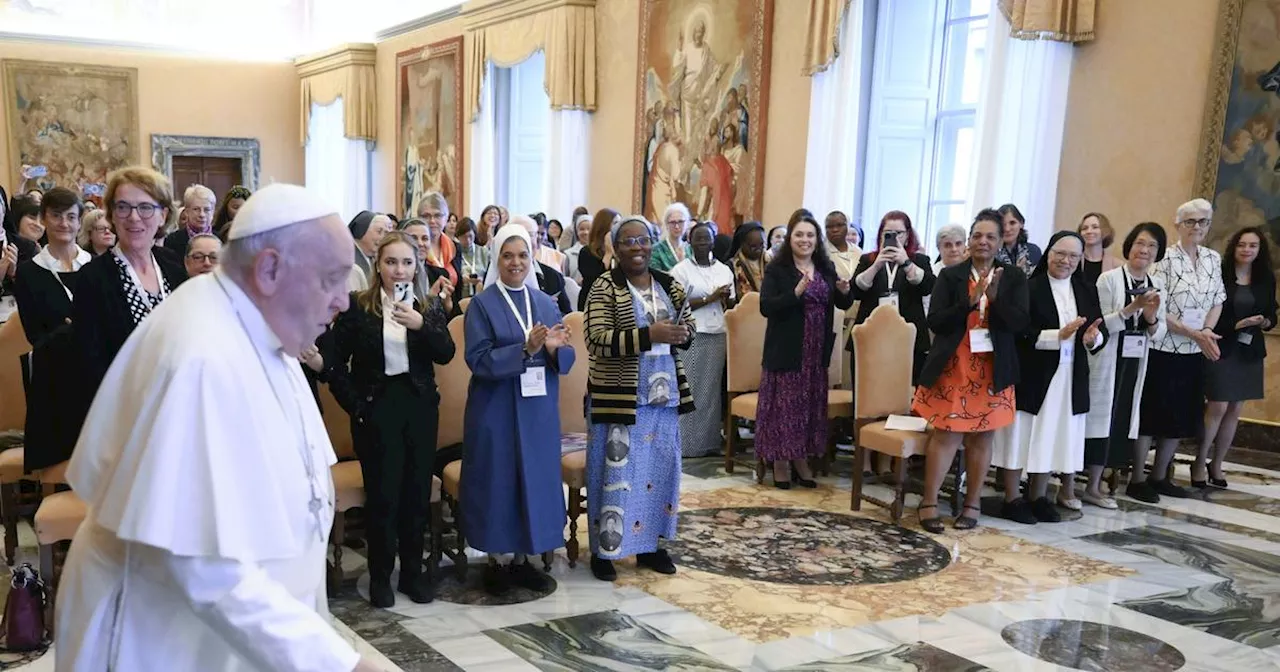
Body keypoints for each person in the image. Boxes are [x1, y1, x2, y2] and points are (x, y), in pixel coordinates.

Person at [55, 183, 382, 671]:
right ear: (269, 269)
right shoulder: (201, 355)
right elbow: (202, 566)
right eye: (331, 279)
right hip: (158, 637)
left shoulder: (265, 325)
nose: (342, 301)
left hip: (238, 633)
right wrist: (339, 664)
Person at [326, 229, 455, 608]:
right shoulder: (358, 306)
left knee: (416, 494)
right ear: (378, 266)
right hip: (375, 407)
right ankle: (381, 576)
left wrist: (421, 324)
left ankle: (412, 574)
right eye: (391, 262)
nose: (399, 270)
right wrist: (356, 405)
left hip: (418, 407)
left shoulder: (426, 306)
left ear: (416, 268)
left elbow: (446, 353)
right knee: (383, 495)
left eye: (406, 263)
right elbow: (334, 363)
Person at [462, 223, 575, 595]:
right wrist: (524, 350)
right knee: (500, 481)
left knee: (536, 480)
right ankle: (496, 560)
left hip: (537, 410)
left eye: (523, 255)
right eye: (508, 255)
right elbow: (477, 360)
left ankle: (525, 558)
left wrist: (557, 349)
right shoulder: (482, 304)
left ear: (532, 258)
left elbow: (566, 358)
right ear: (497, 258)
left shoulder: (545, 301)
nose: (516, 262)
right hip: (495, 409)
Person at [583, 215, 694, 582]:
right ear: (615, 247)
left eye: (643, 240)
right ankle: (604, 552)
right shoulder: (604, 286)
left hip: (664, 395)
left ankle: (650, 547)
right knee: (616, 473)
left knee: (659, 470)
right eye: (628, 241)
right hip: (620, 394)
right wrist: (649, 334)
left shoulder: (669, 284)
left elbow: (689, 325)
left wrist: (680, 333)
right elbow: (596, 338)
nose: (637, 247)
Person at [913, 209, 1029, 532]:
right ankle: (929, 501)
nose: (983, 242)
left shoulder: (1013, 277)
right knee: (947, 435)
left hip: (993, 367)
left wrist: (995, 301)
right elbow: (934, 320)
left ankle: (972, 503)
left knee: (982, 438)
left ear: (1000, 241)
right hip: (955, 365)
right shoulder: (951, 276)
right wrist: (969, 302)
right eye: (977, 235)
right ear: (970, 240)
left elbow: (1020, 324)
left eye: (990, 236)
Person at [991, 231, 1106, 524]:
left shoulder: (1085, 289)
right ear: (1048, 253)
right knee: (1023, 434)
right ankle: (1012, 498)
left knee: (1053, 435)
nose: (1065, 261)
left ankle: (1038, 496)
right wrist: (1058, 335)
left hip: (1071, 375)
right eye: (1060, 254)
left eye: (1073, 256)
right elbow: (1020, 333)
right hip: (1035, 374)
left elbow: (1096, 330)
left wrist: (1093, 339)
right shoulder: (1030, 287)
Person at [71, 167, 188, 431]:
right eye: (123, 207)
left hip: (177, 408)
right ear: (111, 215)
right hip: (122, 418)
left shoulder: (174, 268)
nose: (134, 217)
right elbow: (90, 363)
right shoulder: (93, 277)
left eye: (145, 208)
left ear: (163, 215)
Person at [1132, 198, 1226, 503]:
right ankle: (1137, 478)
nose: (1197, 227)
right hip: (1163, 346)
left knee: (1179, 415)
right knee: (1151, 415)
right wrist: (1194, 333)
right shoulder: (1165, 260)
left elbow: (1218, 299)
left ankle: (1160, 477)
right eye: (1191, 221)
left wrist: (1207, 332)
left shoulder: (1213, 258)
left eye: (1203, 222)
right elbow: (1158, 307)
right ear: (1178, 224)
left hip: (1193, 352)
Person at [755, 209, 854, 488]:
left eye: (810, 235)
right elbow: (767, 307)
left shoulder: (825, 267)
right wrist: (795, 293)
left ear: (817, 238)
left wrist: (845, 291)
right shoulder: (778, 269)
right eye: (799, 234)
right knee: (785, 408)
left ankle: (801, 458)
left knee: (808, 407)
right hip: (787, 348)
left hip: (816, 349)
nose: (805, 240)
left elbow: (842, 304)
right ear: (790, 238)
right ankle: (781, 462)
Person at [1083, 223, 1166, 509]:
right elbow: (1101, 324)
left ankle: (1106, 479)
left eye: (1152, 246)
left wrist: (1152, 317)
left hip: (1134, 360)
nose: (1144, 250)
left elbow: (1159, 332)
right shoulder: (1109, 280)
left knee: (1121, 419)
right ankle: (1090, 485)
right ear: (1129, 246)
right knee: (1100, 418)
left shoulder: (1157, 285)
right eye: (1140, 243)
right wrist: (1132, 309)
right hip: (1107, 358)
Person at [13, 188, 91, 472]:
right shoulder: (28, 273)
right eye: (56, 216)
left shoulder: (96, 267)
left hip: (96, 374)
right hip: (55, 378)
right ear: (44, 219)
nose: (64, 223)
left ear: (80, 221)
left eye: (71, 217)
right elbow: (35, 335)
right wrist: (71, 331)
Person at [1197, 226, 1276, 488]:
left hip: (1249, 350)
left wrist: (1264, 321)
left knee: (1235, 409)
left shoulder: (1265, 278)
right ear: (1235, 247)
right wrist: (1236, 325)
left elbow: (1271, 313)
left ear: (1259, 249)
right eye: (1242, 245)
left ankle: (1217, 463)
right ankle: (1199, 460)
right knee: (1217, 405)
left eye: (1252, 246)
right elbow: (1210, 311)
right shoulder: (1221, 274)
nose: (1247, 250)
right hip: (1223, 345)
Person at [670, 221, 735, 457]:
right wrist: (710, 297)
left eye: (706, 239)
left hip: (718, 333)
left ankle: (708, 442)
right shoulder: (681, 270)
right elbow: (676, 305)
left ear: (713, 241)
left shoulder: (724, 270)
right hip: (692, 333)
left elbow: (731, 303)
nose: (702, 243)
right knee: (691, 388)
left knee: (710, 389)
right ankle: (686, 444)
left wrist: (725, 298)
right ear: (690, 241)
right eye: (698, 239)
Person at [852, 211, 935, 382]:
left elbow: (927, 286)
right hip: (872, 335)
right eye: (888, 233)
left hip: (908, 336)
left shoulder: (919, 260)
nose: (894, 238)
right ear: (881, 235)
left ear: (907, 236)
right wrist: (876, 266)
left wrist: (906, 263)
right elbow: (856, 290)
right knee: (869, 390)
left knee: (904, 391)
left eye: (899, 233)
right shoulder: (868, 259)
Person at [577, 208, 619, 311]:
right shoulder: (586, 252)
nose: (619, 227)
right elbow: (595, 280)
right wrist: (608, 254)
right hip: (592, 303)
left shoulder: (620, 250)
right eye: (615, 223)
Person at [164, 184, 216, 256]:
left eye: (207, 210)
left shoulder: (223, 240)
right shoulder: (172, 241)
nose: (202, 214)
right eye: (196, 209)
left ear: (213, 212)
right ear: (187, 212)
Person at [347, 211, 392, 292]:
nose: (383, 238)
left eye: (386, 233)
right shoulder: (349, 260)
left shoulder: (375, 258)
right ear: (361, 231)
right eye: (379, 232)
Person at [995, 203, 1042, 275]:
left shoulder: (1033, 251)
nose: (1007, 229)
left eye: (1012, 223)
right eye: (1002, 224)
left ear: (1021, 224)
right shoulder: (991, 253)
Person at [1078, 212, 1121, 284]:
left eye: (1095, 227)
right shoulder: (1073, 261)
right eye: (1084, 228)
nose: (1089, 231)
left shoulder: (1117, 266)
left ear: (1105, 231)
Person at [730, 220, 767, 297]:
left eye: (761, 245)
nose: (759, 249)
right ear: (742, 244)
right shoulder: (731, 266)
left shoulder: (771, 261)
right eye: (753, 246)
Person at [456, 217, 489, 299]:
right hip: (460, 297)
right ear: (458, 237)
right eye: (464, 237)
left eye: (470, 236)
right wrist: (461, 280)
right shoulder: (455, 253)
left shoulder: (483, 252)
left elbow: (491, 276)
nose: (467, 240)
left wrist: (482, 280)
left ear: (475, 234)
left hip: (481, 295)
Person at [651, 203, 690, 272]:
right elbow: (656, 275)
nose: (677, 226)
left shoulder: (690, 249)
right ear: (666, 224)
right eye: (673, 222)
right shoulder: (656, 250)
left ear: (686, 223)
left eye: (680, 222)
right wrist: (681, 265)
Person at [824, 211, 862, 281]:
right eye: (830, 226)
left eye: (840, 225)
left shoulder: (858, 251)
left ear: (848, 226)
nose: (835, 230)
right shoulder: (821, 252)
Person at [565, 213, 592, 284]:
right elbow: (565, 279)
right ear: (576, 232)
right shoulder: (568, 254)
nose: (586, 232)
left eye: (589, 229)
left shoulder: (598, 253)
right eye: (582, 229)